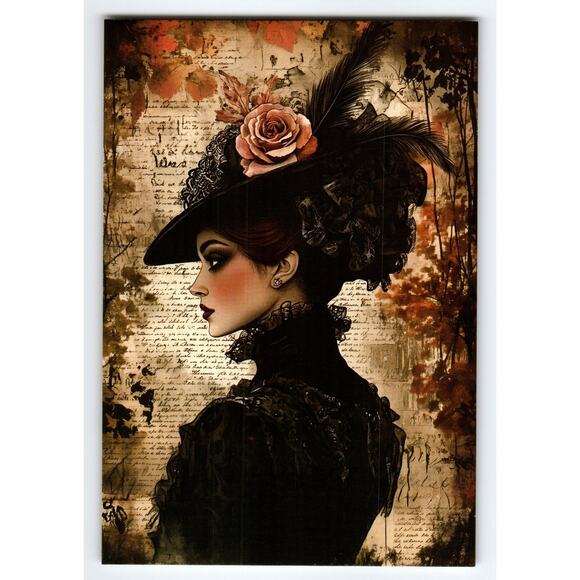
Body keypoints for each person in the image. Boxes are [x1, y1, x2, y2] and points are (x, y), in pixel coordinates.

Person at [143, 22, 451, 564]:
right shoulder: (371, 417)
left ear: (284, 264)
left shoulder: (239, 426)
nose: (197, 283)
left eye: (216, 259)